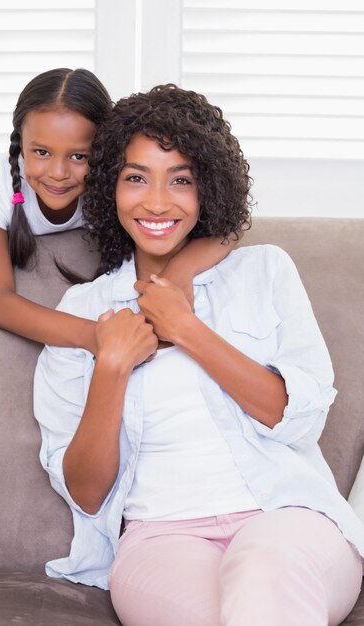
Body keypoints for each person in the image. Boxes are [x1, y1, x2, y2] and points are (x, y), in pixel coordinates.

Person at [33, 84, 364, 626]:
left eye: (180, 180)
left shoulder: (264, 271)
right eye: (136, 177)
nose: (157, 202)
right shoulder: (83, 311)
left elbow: (298, 419)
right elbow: (88, 496)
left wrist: (186, 328)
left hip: (285, 515)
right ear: (110, 187)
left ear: (207, 189)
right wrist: (112, 368)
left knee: (265, 576)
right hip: (160, 537)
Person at [0, 68, 234, 351]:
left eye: (79, 156)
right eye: (41, 152)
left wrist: (180, 273)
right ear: (21, 143)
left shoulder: (113, 187)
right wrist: (97, 336)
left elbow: (230, 227)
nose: (58, 173)